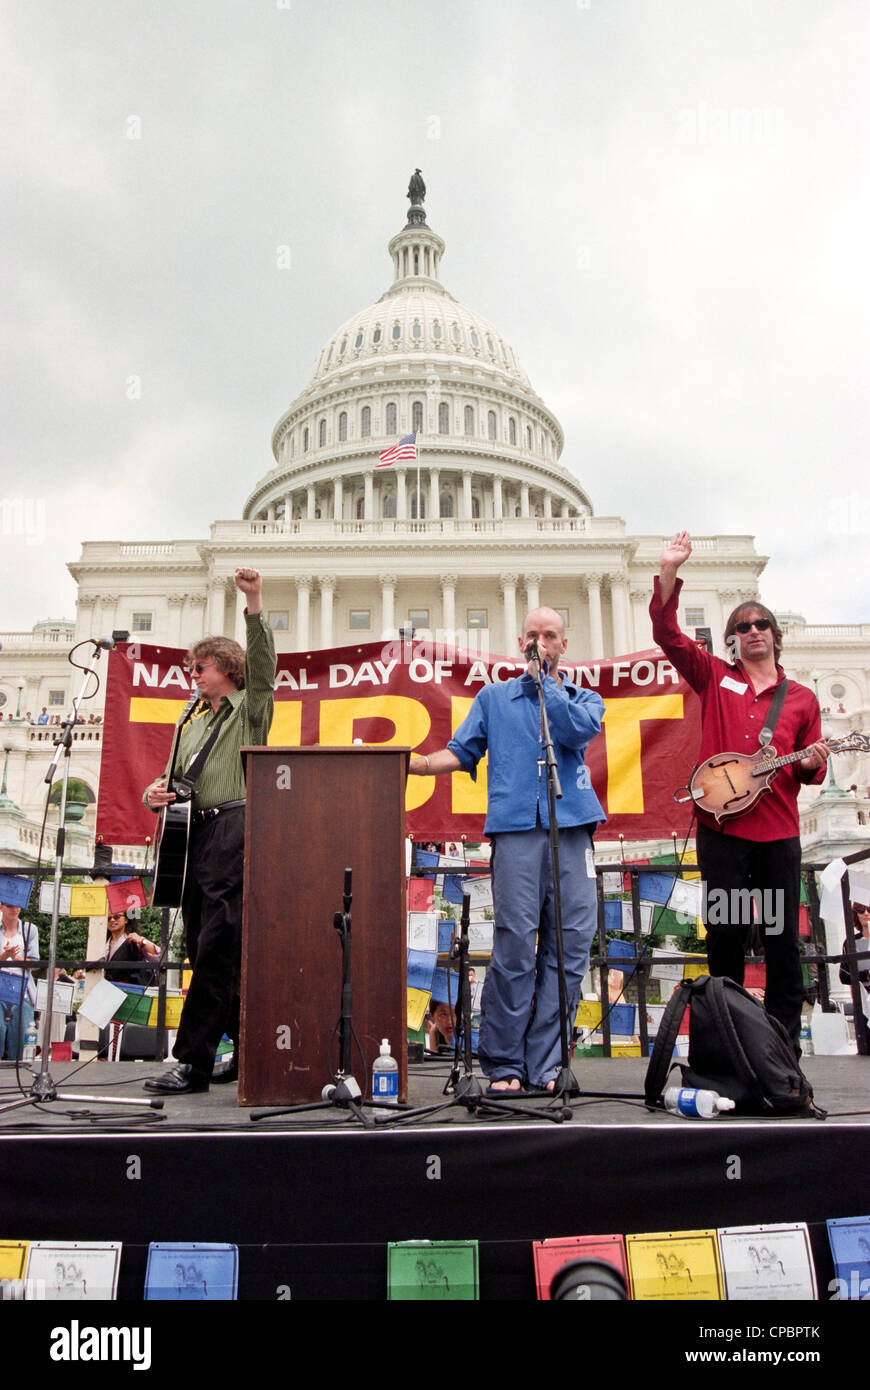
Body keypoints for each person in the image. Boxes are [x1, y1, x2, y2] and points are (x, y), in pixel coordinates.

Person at [409, 606, 605, 1093]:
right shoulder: (494, 698)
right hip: (517, 831)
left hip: (573, 829)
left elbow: (576, 733)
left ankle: (547, 1063)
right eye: (534, 635)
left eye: (551, 635)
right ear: (521, 643)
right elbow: (460, 750)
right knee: (515, 944)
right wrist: (415, 765)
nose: (542, 642)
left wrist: (549, 688)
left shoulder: (584, 698)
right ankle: (505, 1063)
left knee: (571, 948)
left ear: (563, 645)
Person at [651, 531, 829, 1050]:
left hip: (776, 834)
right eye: (742, 626)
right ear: (732, 639)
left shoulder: (801, 699)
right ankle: (724, 1044)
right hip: (722, 832)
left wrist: (815, 763)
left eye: (761, 624)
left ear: (775, 635)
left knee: (781, 942)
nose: (752, 631)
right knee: (725, 938)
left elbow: (810, 773)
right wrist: (668, 571)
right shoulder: (714, 676)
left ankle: (783, 1049)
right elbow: (668, 635)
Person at [142, 567, 276, 1094]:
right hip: (193, 835)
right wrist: (157, 792)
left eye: (200, 666)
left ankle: (194, 1061)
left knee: (218, 942)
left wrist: (255, 600)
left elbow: (264, 663)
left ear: (227, 667)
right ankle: (246, 1052)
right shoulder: (189, 721)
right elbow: (175, 778)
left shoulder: (252, 707)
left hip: (237, 827)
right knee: (208, 945)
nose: (192, 673)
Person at [0, 901, 39, 1061]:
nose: (14, 909)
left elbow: (35, 963)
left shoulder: (30, 929)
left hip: (23, 992)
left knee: (22, 1039)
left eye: (17, 905)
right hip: (1, 990)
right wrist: (4, 957)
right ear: (1, 907)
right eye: (9, 905)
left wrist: (16, 958)